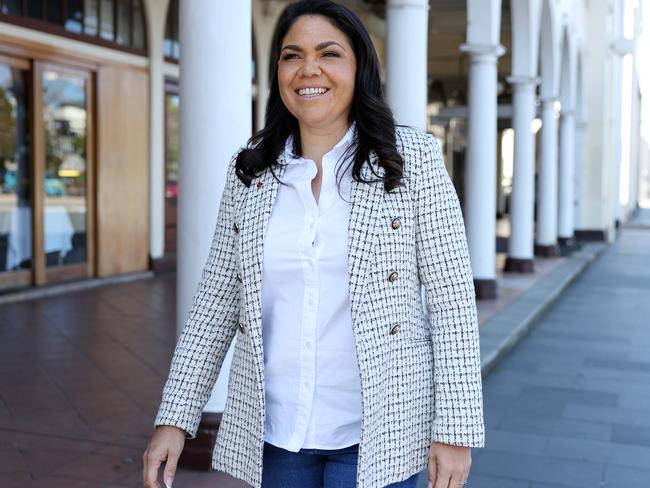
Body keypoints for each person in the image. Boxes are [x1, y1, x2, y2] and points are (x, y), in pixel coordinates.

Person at [142, 1, 485, 487]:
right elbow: (215, 303)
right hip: (278, 433)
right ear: (277, 71)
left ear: (359, 67)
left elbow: (453, 302)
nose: (309, 69)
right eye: (292, 55)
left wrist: (454, 430)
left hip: (380, 431)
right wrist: (175, 418)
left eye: (329, 53)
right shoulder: (251, 173)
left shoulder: (412, 162)